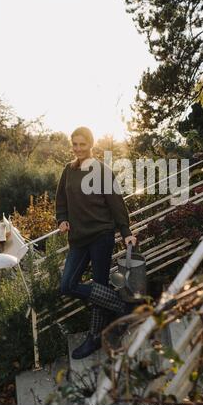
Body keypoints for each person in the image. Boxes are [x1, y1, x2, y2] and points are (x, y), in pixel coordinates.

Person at [55, 126, 137, 359]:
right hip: (78, 239)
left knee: (99, 284)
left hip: (102, 235)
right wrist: (62, 219)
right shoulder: (68, 171)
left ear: (91, 145)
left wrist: (126, 231)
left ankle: (94, 338)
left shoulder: (102, 170)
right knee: (67, 285)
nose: (78, 148)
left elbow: (116, 204)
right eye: (75, 144)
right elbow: (61, 200)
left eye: (83, 144)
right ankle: (124, 306)